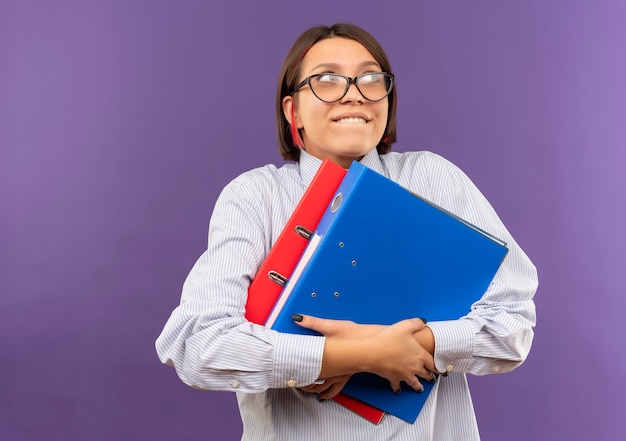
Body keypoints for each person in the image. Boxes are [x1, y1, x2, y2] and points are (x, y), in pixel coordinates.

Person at [155, 23, 538, 441]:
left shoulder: (433, 178)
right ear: (292, 112)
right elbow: (196, 344)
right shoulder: (256, 196)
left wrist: (420, 343)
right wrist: (354, 354)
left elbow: (513, 325)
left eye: (371, 78)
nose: (354, 92)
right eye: (326, 79)